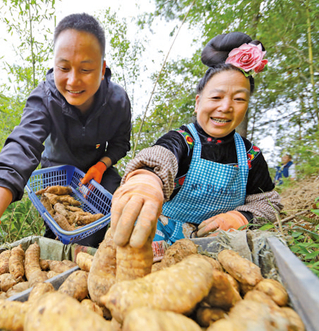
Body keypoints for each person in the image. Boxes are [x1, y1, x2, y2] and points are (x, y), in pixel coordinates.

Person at [0, 13, 131, 308]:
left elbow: (122, 143)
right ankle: (64, 279)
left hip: (98, 171)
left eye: (86, 69)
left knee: (111, 219)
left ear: (102, 69)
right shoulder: (45, 98)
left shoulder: (118, 101)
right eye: (64, 68)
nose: (73, 80)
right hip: (57, 175)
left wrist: (103, 163)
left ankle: (105, 279)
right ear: (54, 65)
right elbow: (22, 146)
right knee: (61, 235)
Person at [110, 32, 283, 249]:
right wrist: (146, 178)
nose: (226, 107)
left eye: (239, 99)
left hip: (219, 245)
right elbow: (161, 155)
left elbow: (268, 203)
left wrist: (241, 218)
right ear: (198, 102)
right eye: (216, 97)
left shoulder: (251, 156)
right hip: (161, 237)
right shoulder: (183, 141)